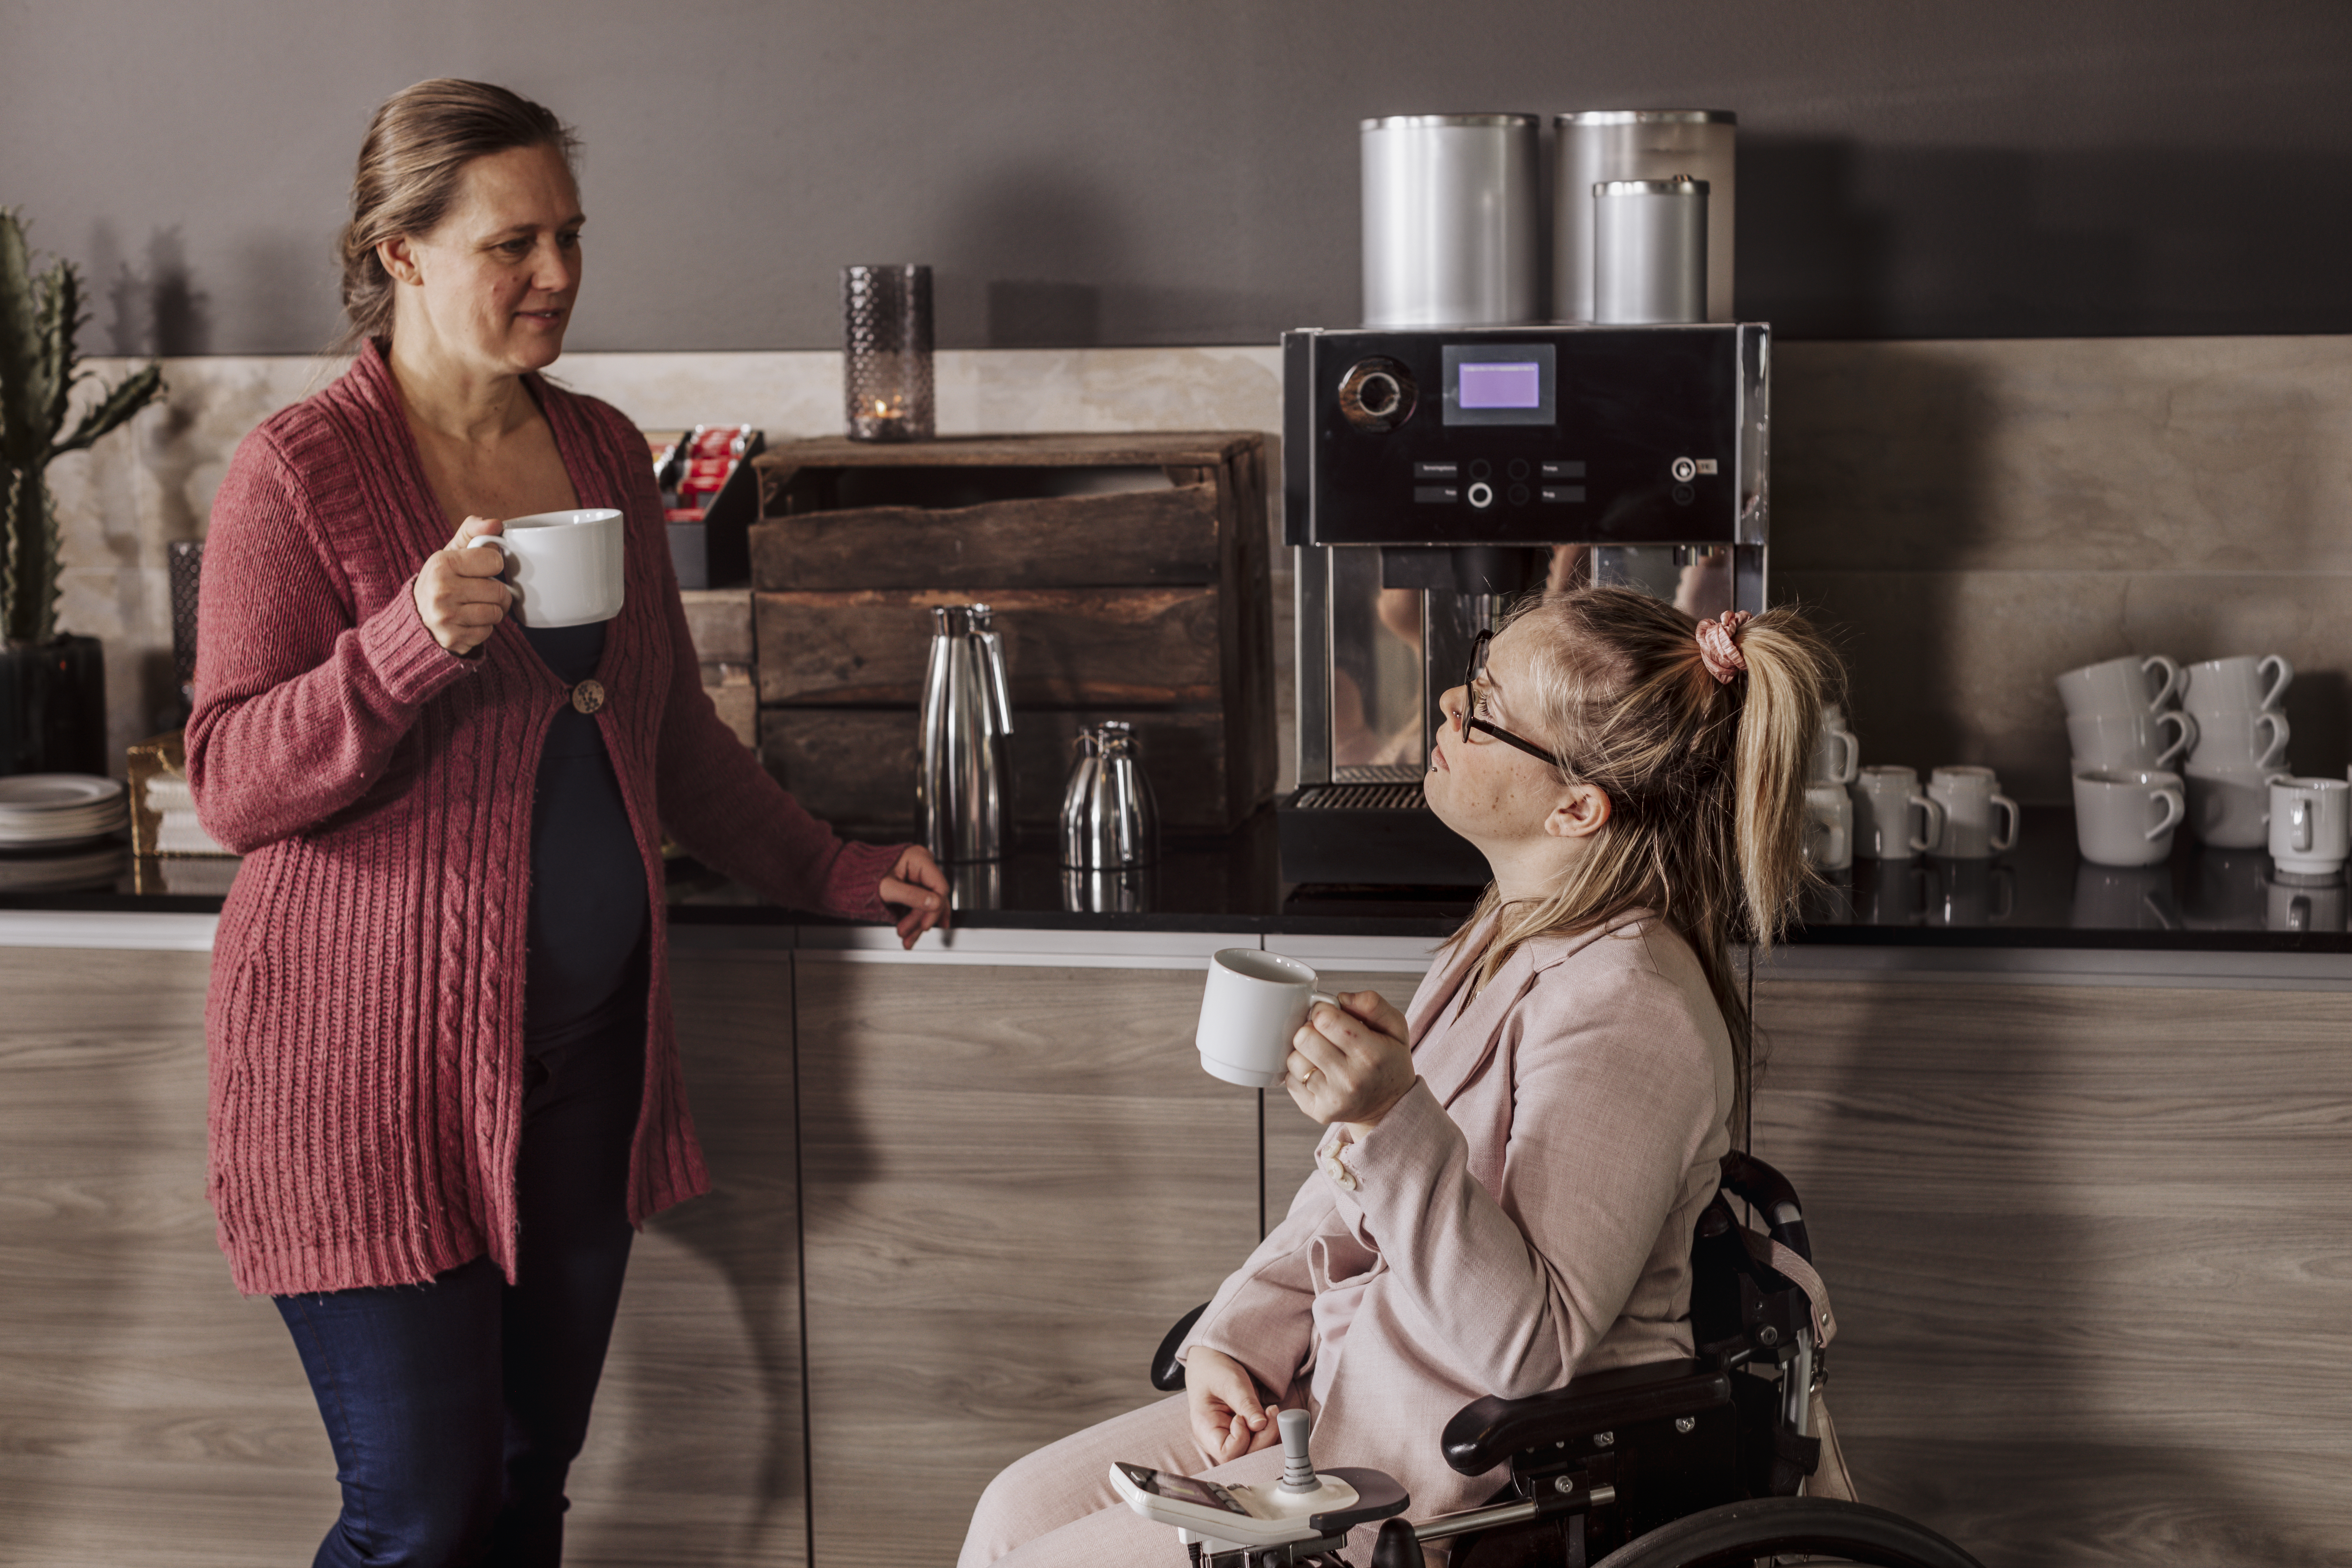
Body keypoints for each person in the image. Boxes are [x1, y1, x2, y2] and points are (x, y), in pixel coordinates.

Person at [187, 79, 948, 1567]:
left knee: (531, 1489)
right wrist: (405, 642)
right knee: (417, 1518)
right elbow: (228, 779)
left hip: (583, 1076)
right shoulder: (301, 472)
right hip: (366, 1084)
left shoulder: (601, 450)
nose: (557, 276)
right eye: (511, 243)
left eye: (572, 237)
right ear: (401, 252)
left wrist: (834, 870)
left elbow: (667, 737)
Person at [959, 589, 1839, 1566]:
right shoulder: (1500, 937)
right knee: (1012, 1514)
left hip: (1471, 1478)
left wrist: (1391, 1116)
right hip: (1342, 1400)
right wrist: (1238, 1336)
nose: (1450, 706)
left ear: (1577, 807)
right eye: (1475, 669)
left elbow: (1529, 1351)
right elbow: (1347, 1192)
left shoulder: (1631, 1010)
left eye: (1488, 709)